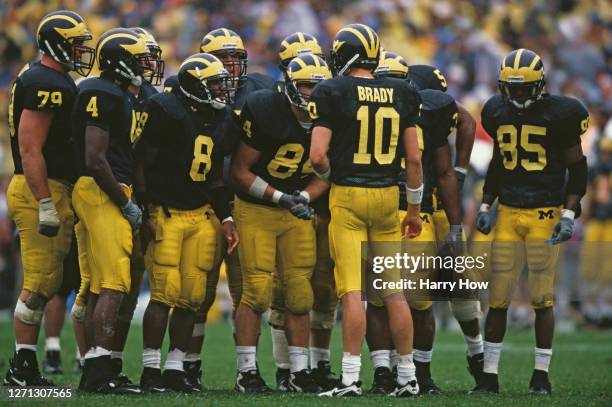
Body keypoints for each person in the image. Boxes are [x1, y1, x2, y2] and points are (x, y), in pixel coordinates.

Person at [309, 24, 423, 397]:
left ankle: (350, 378)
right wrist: (414, 209)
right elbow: (415, 158)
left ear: (347, 55)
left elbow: (317, 155)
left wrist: (328, 175)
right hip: (390, 196)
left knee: (353, 293)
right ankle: (407, 377)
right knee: (393, 292)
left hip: (349, 196)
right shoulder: (403, 91)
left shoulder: (333, 90)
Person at [472, 48, 589, 395]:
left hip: (544, 212)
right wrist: (485, 204)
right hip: (508, 211)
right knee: (499, 296)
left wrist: (568, 213)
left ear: (539, 85)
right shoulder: (495, 109)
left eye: (524, 88)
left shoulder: (562, 114)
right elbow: (497, 161)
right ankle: (489, 377)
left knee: (541, 297)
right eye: (512, 87)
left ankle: (541, 375)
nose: (518, 94)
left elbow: (577, 166)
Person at [135, 52, 238, 393]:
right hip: (165, 211)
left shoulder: (222, 120)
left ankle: (175, 367)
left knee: (192, 298)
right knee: (165, 293)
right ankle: (151, 368)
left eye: (221, 83)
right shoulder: (166, 111)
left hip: (201, 213)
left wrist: (225, 216)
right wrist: (144, 208)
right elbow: (141, 163)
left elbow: (217, 179)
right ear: (194, 86)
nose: (221, 90)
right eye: (213, 84)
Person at [231, 53, 331, 393]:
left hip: (295, 209)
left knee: (300, 294)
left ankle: (298, 373)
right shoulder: (265, 109)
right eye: (306, 86)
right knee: (256, 292)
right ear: (289, 86)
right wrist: (280, 197)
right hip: (258, 206)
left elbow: (328, 174)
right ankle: (247, 372)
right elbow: (239, 172)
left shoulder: (332, 115)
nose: (313, 95)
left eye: (319, 88)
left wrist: (302, 198)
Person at [4, 10, 94, 387]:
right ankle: (22, 370)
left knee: (50, 282)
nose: (81, 51)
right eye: (75, 44)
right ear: (57, 44)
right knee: (40, 283)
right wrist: (44, 200)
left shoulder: (45, 76)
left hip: (49, 186)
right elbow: (30, 149)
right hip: (41, 186)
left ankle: (27, 366)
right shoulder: (47, 82)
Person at [72, 27, 150, 394]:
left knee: (101, 283)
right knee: (113, 284)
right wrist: (125, 202)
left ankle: (95, 370)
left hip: (107, 190)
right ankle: (100, 370)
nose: (146, 65)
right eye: (139, 59)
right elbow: (94, 158)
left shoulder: (120, 93)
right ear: (120, 62)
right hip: (103, 191)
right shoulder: (100, 91)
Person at [268, 31, 339, 392]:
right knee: (285, 291)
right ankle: (285, 368)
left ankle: (320, 365)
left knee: (325, 289)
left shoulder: (338, 101)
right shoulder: (268, 105)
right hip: (281, 206)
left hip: (325, 208)